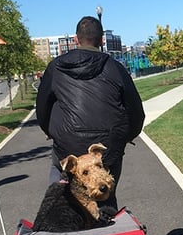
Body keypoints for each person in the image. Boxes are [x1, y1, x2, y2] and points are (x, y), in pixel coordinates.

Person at [36, 15, 145, 208]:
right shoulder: (115, 68)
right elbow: (136, 111)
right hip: (107, 148)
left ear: (76, 40)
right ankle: (107, 213)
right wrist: (126, 136)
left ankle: (59, 206)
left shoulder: (56, 67)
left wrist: (50, 132)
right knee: (105, 191)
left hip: (67, 146)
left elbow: (42, 108)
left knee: (59, 182)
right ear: (102, 41)